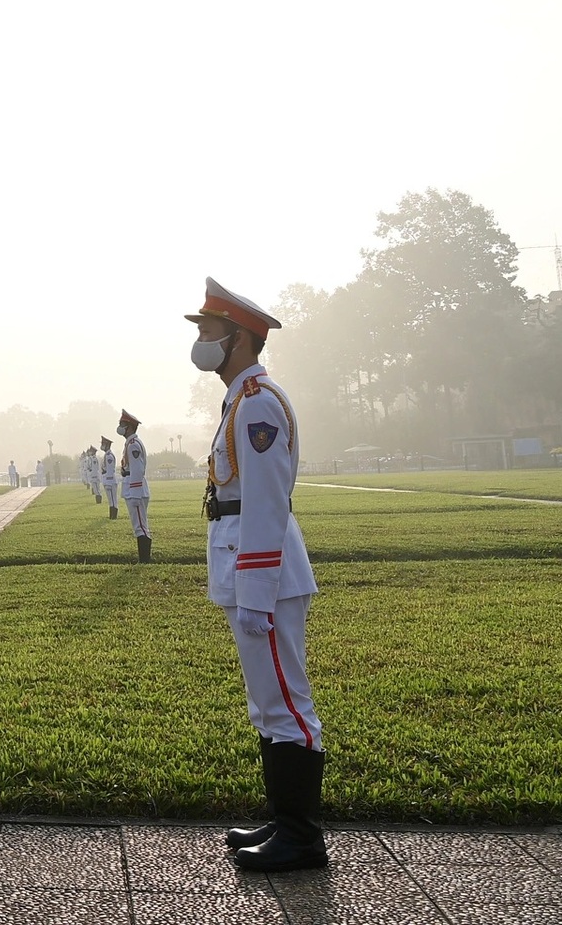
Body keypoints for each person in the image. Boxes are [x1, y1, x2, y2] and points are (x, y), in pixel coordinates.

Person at [188, 278, 325, 872]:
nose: (200, 341)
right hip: (247, 562)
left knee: (286, 706)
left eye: (208, 331)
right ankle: (284, 819)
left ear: (238, 338)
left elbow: (267, 504)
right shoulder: (241, 399)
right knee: (266, 703)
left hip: (261, 569)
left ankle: (301, 836)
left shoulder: (258, 404)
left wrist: (257, 590)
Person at [119, 410, 150, 557]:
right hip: (132, 487)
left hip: (135, 489)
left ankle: (145, 559)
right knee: (139, 525)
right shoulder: (130, 443)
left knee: (141, 527)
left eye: (122, 424)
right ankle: (143, 558)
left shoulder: (133, 445)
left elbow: (137, 470)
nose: (119, 427)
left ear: (130, 427)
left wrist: (136, 494)